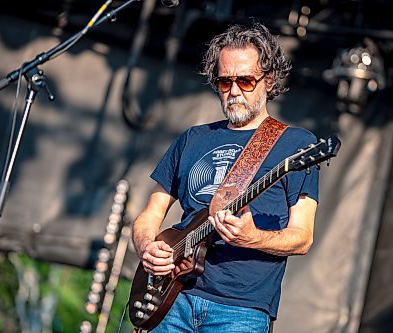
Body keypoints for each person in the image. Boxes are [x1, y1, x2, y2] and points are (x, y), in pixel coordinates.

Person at [132, 22, 319, 333]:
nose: (234, 92)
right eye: (224, 82)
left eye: (245, 81)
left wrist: (252, 237)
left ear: (268, 81)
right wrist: (147, 248)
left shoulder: (295, 145)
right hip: (172, 299)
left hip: (240, 311)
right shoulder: (192, 138)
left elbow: (303, 237)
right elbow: (150, 214)